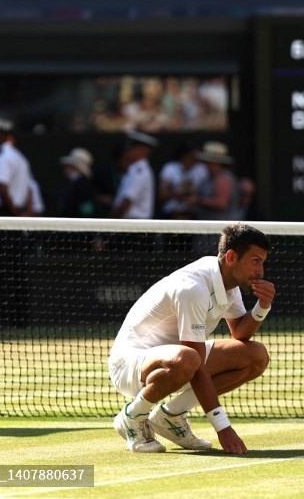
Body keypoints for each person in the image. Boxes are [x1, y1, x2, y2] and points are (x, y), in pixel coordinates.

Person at [108, 223, 273, 453]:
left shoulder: (229, 281)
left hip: (178, 357)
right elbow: (194, 361)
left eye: (263, 262)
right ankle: (133, 415)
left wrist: (262, 307)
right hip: (130, 365)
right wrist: (222, 426)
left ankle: (170, 416)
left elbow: (239, 334)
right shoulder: (193, 288)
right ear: (232, 256)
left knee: (255, 356)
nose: (261, 270)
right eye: (255, 261)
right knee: (188, 358)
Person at [0, 117, 33, 216]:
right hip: (16, 210)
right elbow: (29, 188)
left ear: (3, 136)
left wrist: (13, 213)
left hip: (4, 211)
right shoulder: (19, 156)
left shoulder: (1, 156)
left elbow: (2, 186)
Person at [111, 131, 156, 219]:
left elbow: (127, 201)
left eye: (133, 148)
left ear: (144, 150)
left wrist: (111, 221)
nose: (129, 151)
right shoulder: (133, 169)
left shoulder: (140, 171)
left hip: (135, 222)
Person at [158, 141, 208, 219]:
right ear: (184, 155)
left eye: (196, 157)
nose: (194, 159)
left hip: (194, 215)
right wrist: (178, 193)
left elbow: (207, 193)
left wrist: (194, 195)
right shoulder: (170, 168)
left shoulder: (202, 169)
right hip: (172, 213)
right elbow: (162, 195)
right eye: (191, 156)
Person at [196, 141, 241, 220]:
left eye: (207, 162)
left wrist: (198, 200)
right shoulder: (210, 177)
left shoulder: (223, 178)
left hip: (223, 225)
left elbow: (221, 203)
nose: (205, 164)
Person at [57, 148, 96, 217]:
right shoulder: (72, 183)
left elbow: (87, 211)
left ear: (76, 167)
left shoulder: (83, 185)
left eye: (69, 166)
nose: (66, 168)